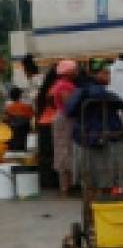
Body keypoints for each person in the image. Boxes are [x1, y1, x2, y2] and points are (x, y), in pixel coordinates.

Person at [64, 61, 123, 207]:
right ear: (96, 74)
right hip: (98, 139)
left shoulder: (81, 90)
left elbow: (69, 110)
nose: (109, 76)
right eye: (106, 72)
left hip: (88, 139)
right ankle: (101, 209)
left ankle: (94, 211)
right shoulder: (95, 91)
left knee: (91, 181)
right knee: (105, 179)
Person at [45, 59, 80, 196]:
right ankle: (66, 186)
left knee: (64, 149)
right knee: (65, 150)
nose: (76, 72)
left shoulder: (59, 84)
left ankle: (66, 185)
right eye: (74, 69)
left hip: (62, 118)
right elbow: (69, 105)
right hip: (66, 120)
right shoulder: (65, 86)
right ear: (68, 72)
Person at [4, 88, 33, 153]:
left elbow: (6, 118)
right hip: (24, 130)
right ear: (20, 96)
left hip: (12, 129)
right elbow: (30, 116)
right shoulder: (26, 107)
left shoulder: (8, 107)